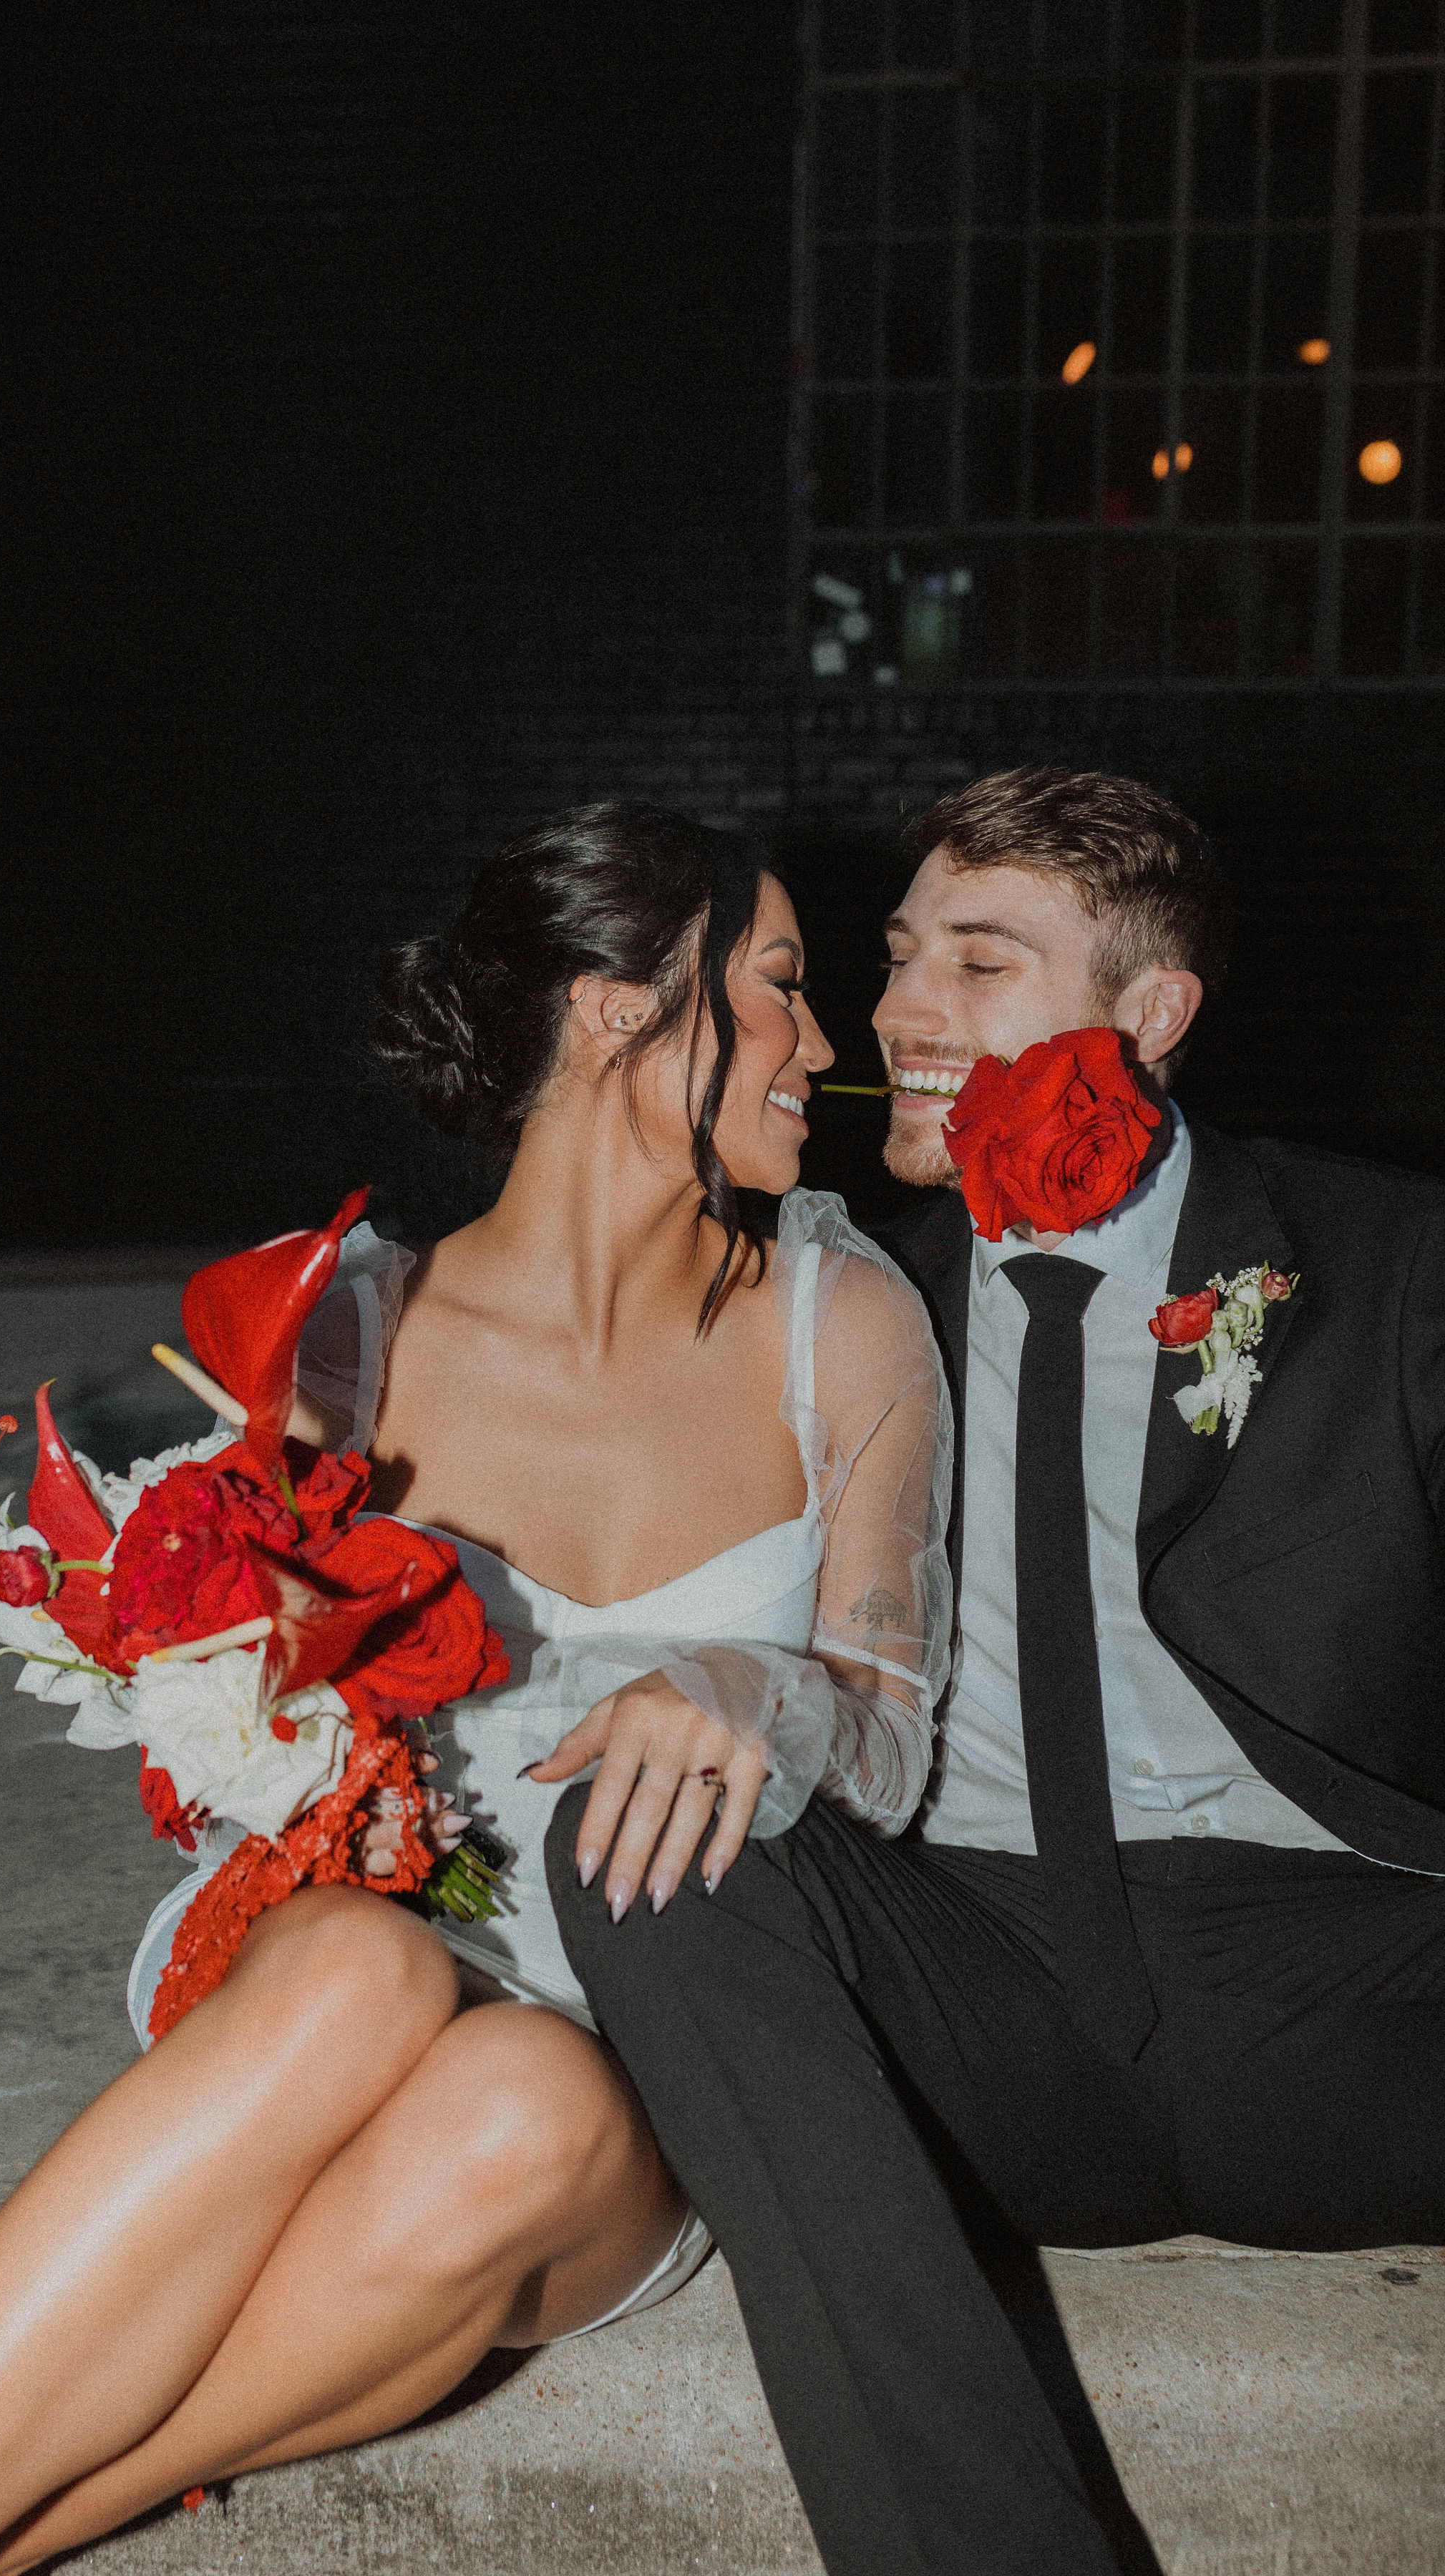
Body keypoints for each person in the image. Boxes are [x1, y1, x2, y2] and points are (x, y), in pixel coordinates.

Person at [0, 801, 949, 2576]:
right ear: (629, 1008)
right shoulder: (350, 1336)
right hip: (331, 1984)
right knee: (363, 1964)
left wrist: (750, 1685)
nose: (822, 1043)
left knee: (526, 2106)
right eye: (779, 987)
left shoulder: (840, 1327)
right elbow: (230, 1721)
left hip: (636, 2072)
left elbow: (896, 1721)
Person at [548, 766, 1445, 2576]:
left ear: (1153, 1012)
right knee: (637, 1835)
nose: (898, 1014)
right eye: (894, 962)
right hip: (981, 1997)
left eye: (979, 961)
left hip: (1350, 1983)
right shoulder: (841, 1295)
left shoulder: (1387, 1261)